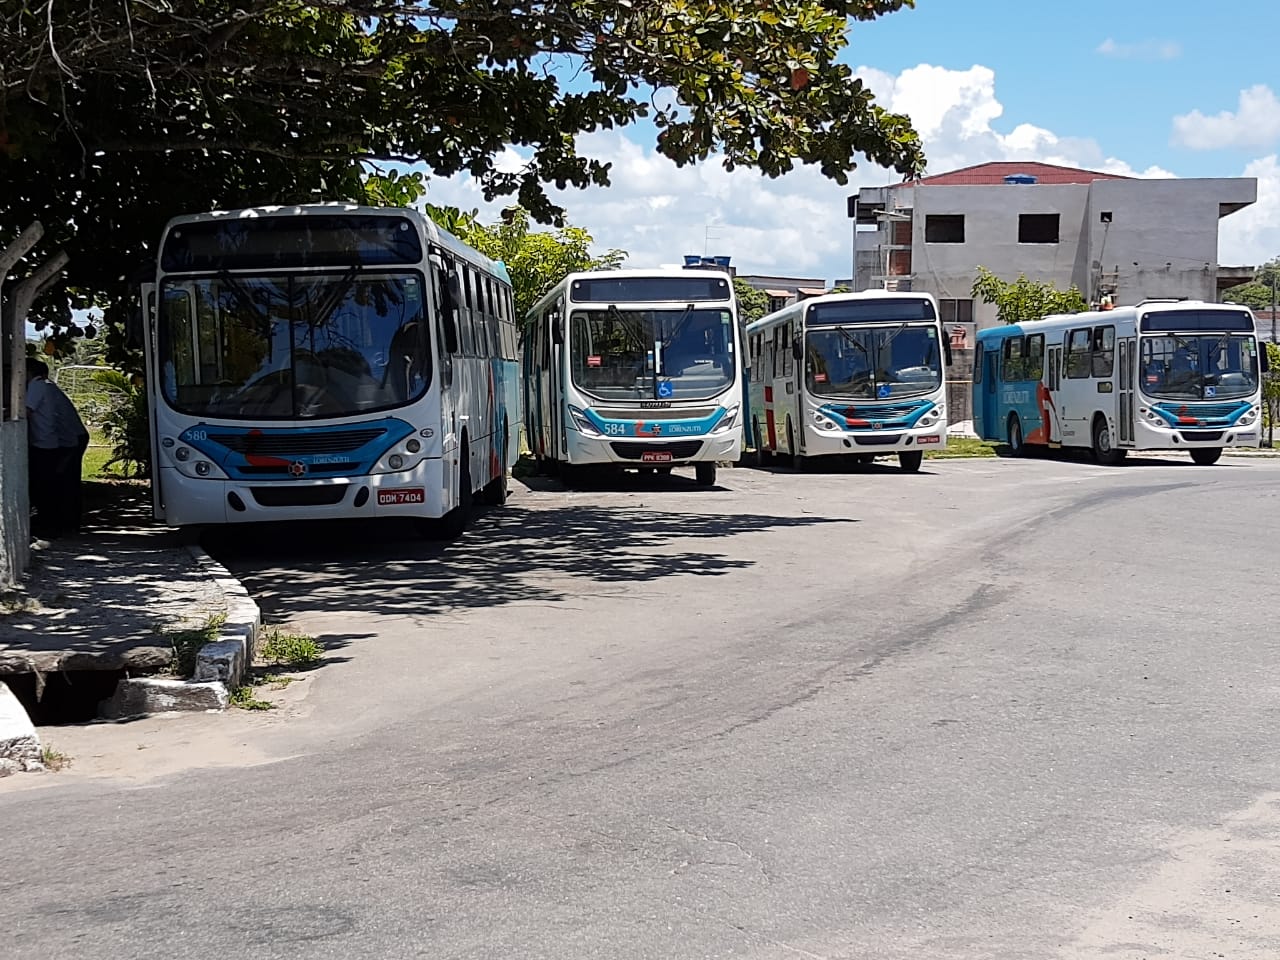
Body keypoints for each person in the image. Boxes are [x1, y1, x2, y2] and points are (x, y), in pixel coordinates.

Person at [25, 358, 90, 538]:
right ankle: (65, 524)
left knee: (60, 481)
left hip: (68, 440)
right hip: (66, 438)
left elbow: (26, 411)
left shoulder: (38, 385)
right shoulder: (46, 385)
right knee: (61, 481)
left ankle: (61, 525)